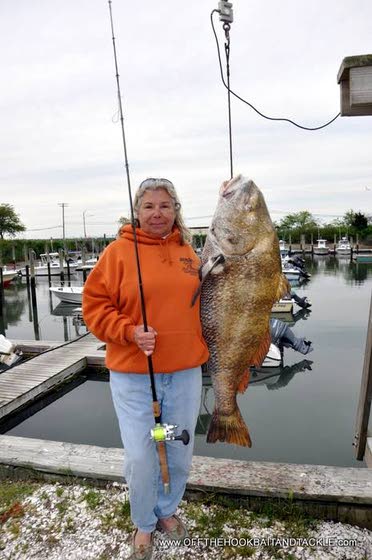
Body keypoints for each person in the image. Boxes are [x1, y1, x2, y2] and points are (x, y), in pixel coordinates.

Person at [82, 178, 209, 560]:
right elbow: (93, 306)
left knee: (175, 444)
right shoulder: (117, 253)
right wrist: (129, 332)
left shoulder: (190, 253)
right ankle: (144, 521)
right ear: (137, 211)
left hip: (184, 376)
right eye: (150, 206)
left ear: (176, 211)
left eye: (165, 206)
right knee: (141, 451)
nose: (158, 213)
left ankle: (167, 509)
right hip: (136, 378)